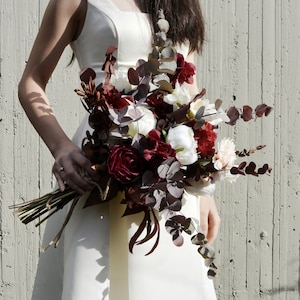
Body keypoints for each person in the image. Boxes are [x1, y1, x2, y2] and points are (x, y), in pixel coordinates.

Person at [18, 0, 221, 299]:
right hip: (101, 164)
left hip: (172, 171)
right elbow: (31, 82)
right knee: (98, 280)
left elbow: (189, 88)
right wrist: (60, 147)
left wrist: (205, 188)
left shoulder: (180, 3)